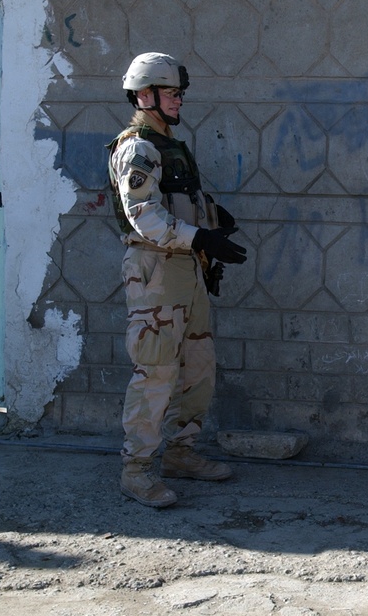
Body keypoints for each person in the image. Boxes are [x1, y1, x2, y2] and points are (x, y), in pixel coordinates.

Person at [107, 52, 247, 508]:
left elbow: (176, 202)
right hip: (156, 271)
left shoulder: (171, 144)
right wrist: (201, 235)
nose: (179, 101)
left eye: (179, 93)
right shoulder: (138, 147)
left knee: (199, 365)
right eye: (171, 93)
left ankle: (182, 454)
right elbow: (144, 216)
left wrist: (210, 218)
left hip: (187, 267)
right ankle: (137, 470)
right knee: (156, 372)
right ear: (144, 95)